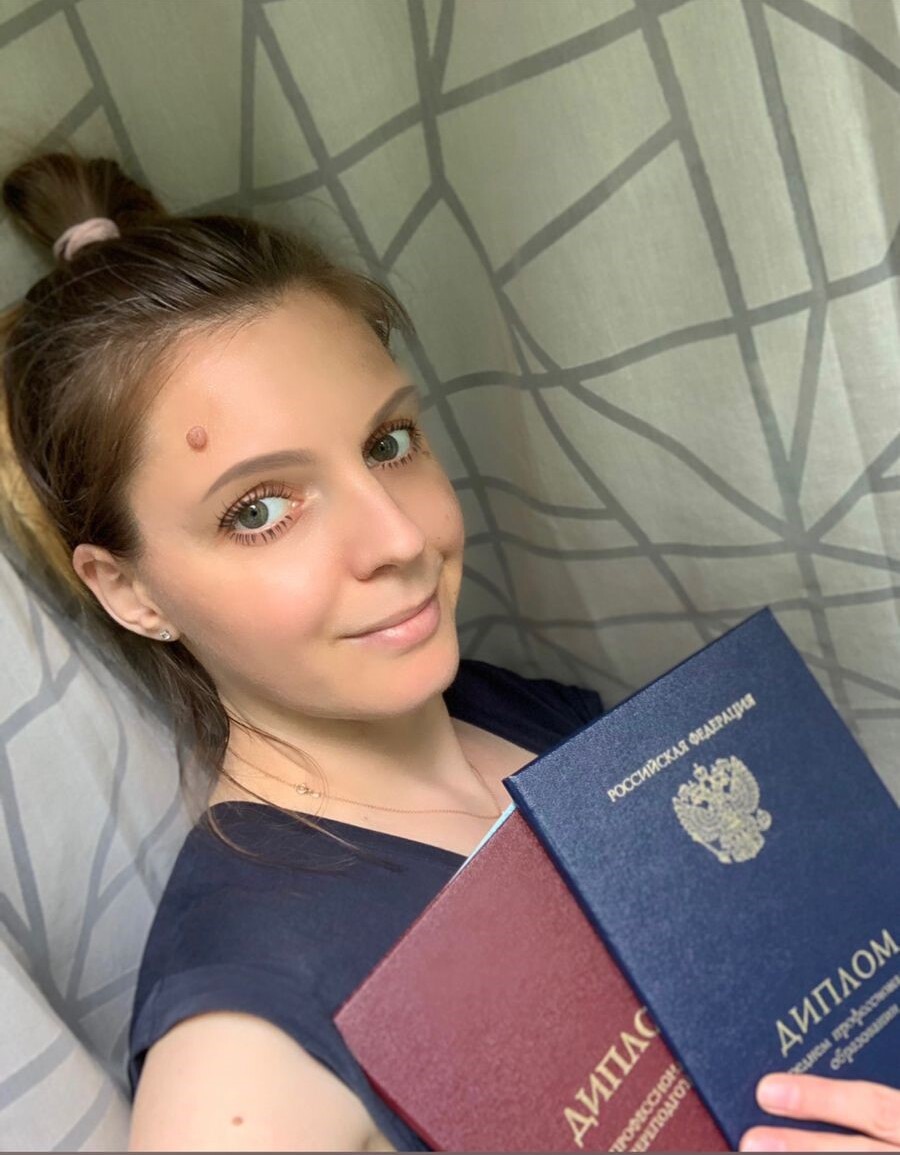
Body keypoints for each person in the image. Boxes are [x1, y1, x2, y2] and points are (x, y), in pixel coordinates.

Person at [1, 150, 897, 1153]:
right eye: (259, 510)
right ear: (128, 590)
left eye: (388, 443)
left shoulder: (522, 714)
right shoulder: (242, 1065)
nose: (399, 538)